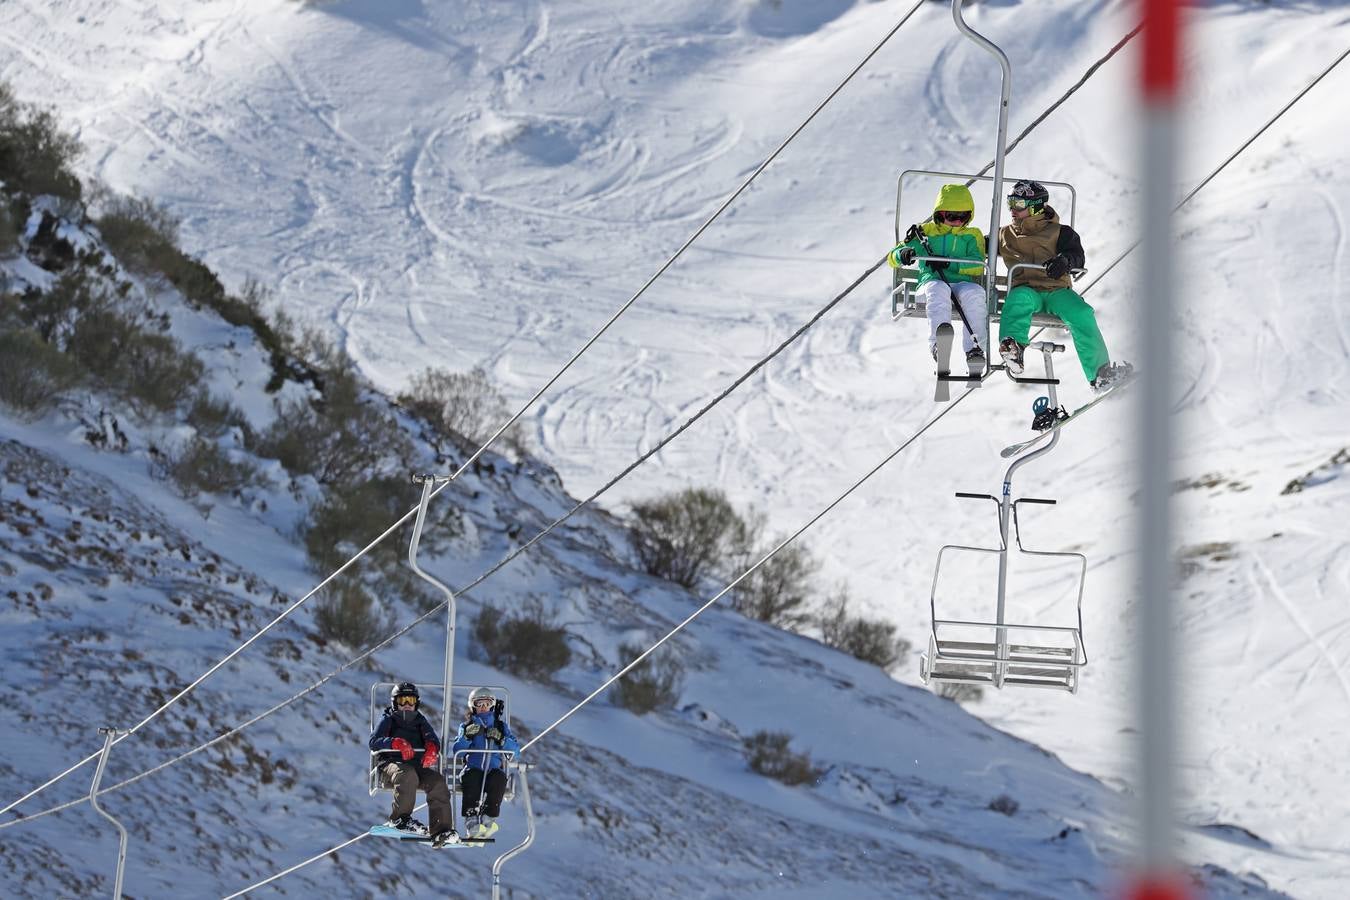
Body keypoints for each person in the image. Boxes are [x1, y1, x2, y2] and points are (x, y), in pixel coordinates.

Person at [996, 180, 1132, 391]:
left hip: (1055, 291)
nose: (1013, 209)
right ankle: (1013, 348)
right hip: (1026, 289)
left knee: (1081, 312)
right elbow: (975, 246)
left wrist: (1065, 262)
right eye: (1010, 203)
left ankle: (1100, 375)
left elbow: (1077, 256)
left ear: (1035, 207)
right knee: (1017, 300)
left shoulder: (1060, 232)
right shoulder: (1004, 234)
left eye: (1019, 204)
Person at [889, 183, 989, 374]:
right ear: (940, 213)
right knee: (939, 289)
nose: (958, 222)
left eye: (964, 216)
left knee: (976, 293)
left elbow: (978, 265)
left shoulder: (972, 235)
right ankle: (938, 346)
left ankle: (974, 350)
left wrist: (951, 263)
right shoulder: (924, 233)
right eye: (952, 216)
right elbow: (892, 257)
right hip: (930, 284)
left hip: (962, 284)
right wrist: (903, 254)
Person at [368, 682, 454, 844]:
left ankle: (441, 829)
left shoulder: (420, 721)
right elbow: (374, 741)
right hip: (391, 765)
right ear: (395, 703)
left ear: (417, 703)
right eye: (402, 701)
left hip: (416, 766)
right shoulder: (389, 719)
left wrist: (431, 748)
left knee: (437, 781)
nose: (407, 705)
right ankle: (400, 819)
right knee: (406, 774)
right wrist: (394, 743)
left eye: (411, 700)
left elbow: (432, 738)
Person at [451, 686, 521, 840]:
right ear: (472, 706)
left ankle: (488, 817)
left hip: (493, 769)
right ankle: (471, 820)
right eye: (479, 704)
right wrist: (467, 737)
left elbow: (516, 751)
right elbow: (457, 749)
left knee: (499, 778)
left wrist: (501, 740)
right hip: (473, 768)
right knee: (472, 777)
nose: (483, 707)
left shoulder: (501, 727)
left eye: (487, 703)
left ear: (492, 705)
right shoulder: (467, 726)